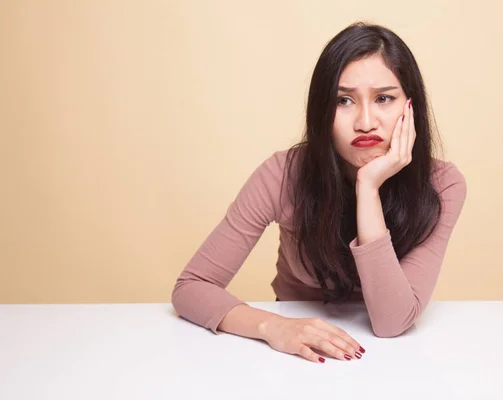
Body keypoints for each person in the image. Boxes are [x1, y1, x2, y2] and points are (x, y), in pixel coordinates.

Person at [171, 21, 467, 364]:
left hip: (396, 358)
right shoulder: (283, 173)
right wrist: (273, 327)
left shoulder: (442, 184)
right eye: (344, 100)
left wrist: (368, 188)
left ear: (410, 107)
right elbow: (191, 287)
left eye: (384, 98)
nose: (365, 121)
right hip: (297, 356)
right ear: (321, 111)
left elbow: (391, 323)